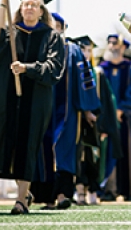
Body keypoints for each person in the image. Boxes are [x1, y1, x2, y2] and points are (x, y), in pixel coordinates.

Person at [0, 0, 65, 216]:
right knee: (8, 143)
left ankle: (21, 199)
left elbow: (53, 69)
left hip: (36, 101)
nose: (29, 7)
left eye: (34, 5)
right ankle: (24, 192)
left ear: (42, 10)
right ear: (20, 8)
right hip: (8, 98)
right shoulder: (12, 31)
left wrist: (27, 68)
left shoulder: (52, 37)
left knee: (27, 145)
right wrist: (3, 1)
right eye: (25, 4)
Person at [32, 13, 101, 210]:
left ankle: (63, 195)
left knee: (66, 152)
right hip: (43, 111)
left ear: (63, 28)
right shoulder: (39, 48)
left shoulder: (73, 51)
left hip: (68, 113)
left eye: (58, 26)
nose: (54, 29)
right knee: (43, 152)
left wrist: (87, 109)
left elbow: (84, 80)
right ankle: (46, 198)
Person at [72, 35, 123, 206]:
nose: (86, 54)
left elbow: (108, 102)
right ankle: (79, 192)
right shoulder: (73, 72)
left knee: (94, 159)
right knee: (78, 159)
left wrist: (103, 125)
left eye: (88, 50)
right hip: (78, 121)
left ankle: (93, 192)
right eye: (83, 50)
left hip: (95, 124)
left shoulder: (98, 74)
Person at [98, 35, 131, 202]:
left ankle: (126, 190)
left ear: (123, 47)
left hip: (126, 120)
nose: (111, 46)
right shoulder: (101, 69)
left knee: (128, 153)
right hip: (105, 120)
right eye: (109, 43)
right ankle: (107, 189)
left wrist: (121, 109)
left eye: (115, 44)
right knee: (106, 153)